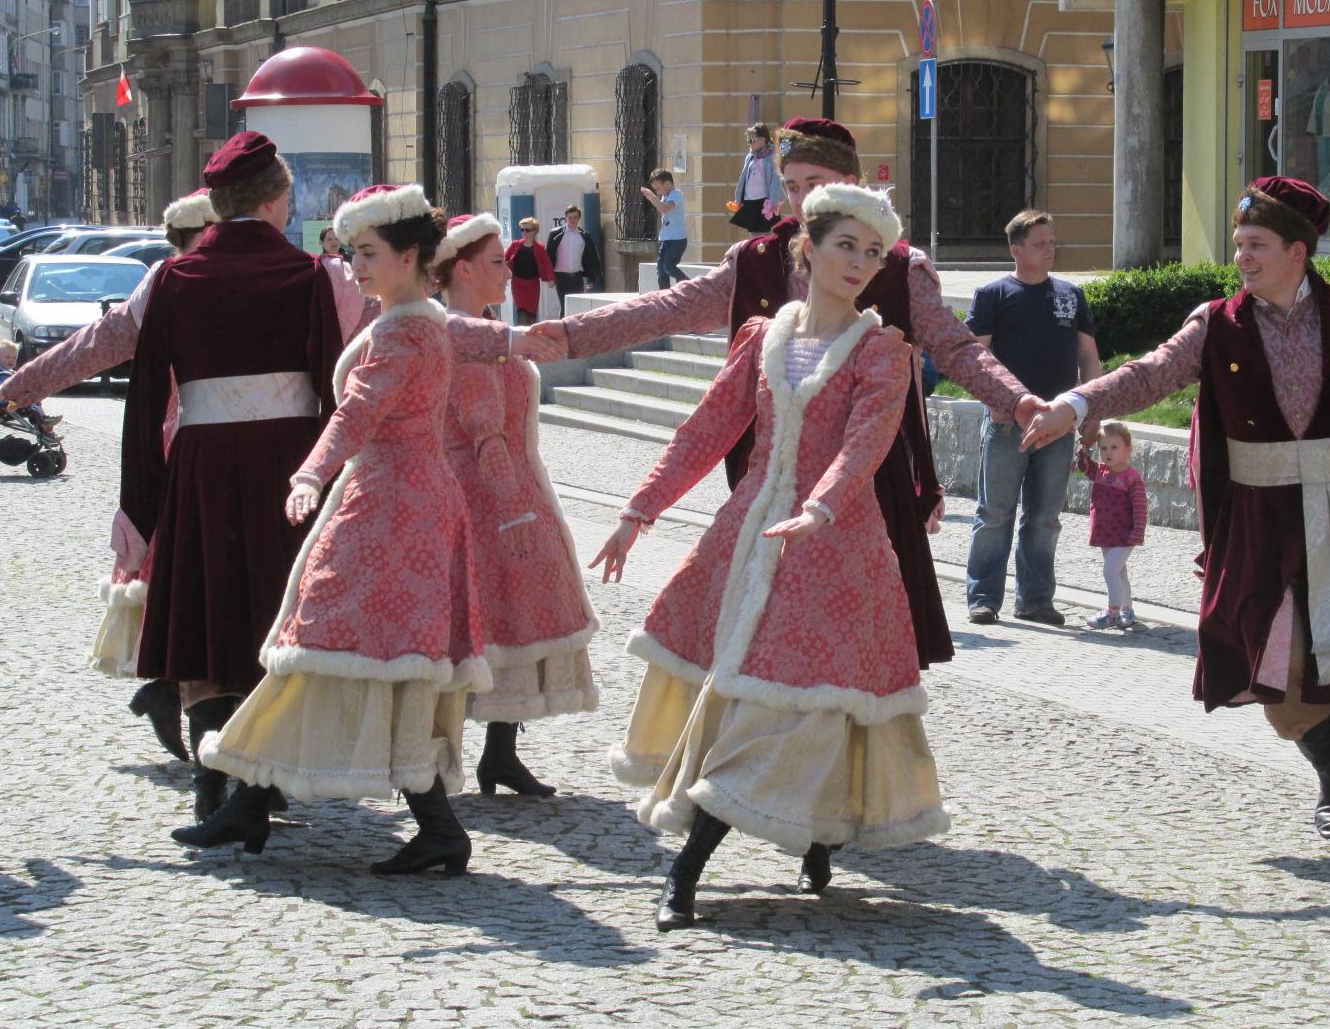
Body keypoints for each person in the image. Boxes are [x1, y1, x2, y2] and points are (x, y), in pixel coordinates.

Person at [1021, 176, 1330, 859]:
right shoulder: (1217, 323)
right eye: (1239, 244)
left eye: (1256, 245)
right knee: (1272, 666)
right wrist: (1076, 404)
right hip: (1259, 523)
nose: (1241, 257)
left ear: (1298, 252)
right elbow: (1147, 374)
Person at [523, 116, 1043, 677]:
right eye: (790, 186)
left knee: (857, 653)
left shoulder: (895, 267)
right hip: (767, 473)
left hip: (863, 480)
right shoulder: (755, 261)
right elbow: (668, 310)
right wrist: (573, 335)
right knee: (751, 638)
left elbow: (957, 346)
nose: (801, 199)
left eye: (814, 183)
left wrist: (1016, 399)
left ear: (852, 183)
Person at [590, 184, 948, 931]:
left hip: (835, 547)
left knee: (787, 697)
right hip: (746, 535)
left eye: (873, 252)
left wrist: (821, 505)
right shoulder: (762, 337)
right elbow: (708, 427)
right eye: (845, 245)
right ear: (806, 249)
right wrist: (637, 512)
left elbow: (867, 443)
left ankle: (686, 872)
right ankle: (815, 836)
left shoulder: (883, 351)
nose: (859, 262)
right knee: (752, 691)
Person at [185, 184, 490, 875]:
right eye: (351, 252)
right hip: (398, 502)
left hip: (390, 509)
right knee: (346, 653)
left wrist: (309, 473)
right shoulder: (412, 320)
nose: (354, 265)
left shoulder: (408, 330)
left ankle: (265, 802)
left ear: (410, 255)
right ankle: (254, 800)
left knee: (345, 650)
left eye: (368, 253)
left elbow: (357, 412)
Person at [115, 134, 373, 823]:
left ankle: (210, 787)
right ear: (272, 200)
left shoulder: (175, 278)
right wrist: (333, 482)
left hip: (200, 464)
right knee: (268, 614)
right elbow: (330, 387)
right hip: (284, 464)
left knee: (204, 617)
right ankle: (259, 780)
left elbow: (145, 400)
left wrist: (138, 508)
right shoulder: (309, 275)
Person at [0, 188, 229, 768]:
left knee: (195, 577)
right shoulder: (167, 281)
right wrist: (16, 387)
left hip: (202, 442)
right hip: (179, 442)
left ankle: (174, 691)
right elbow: (93, 344)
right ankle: (194, 711)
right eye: (207, 236)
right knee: (184, 574)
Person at [433, 212, 601, 797]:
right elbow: (485, 433)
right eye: (496, 263)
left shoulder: (485, 330)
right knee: (476, 620)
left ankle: (498, 752)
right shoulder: (464, 338)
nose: (508, 272)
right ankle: (442, 761)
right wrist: (512, 507)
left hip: (507, 488)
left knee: (508, 617)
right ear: (462, 269)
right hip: (479, 497)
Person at [964, 211, 1101, 626]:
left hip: (1059, 423)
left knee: (1044, 517)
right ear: (1016, 249)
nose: (1050, 248)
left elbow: (1088, 357)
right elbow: (977, 357)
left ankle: (1036, 599)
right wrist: (995, 401)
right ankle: (984, 597)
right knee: (995, 512)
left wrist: (1092, 407)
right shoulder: (993, 294)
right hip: (1009, 423)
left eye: (1051, 241)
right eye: (1040, 242)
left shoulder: (1070, 296)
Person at [1075, 420, 1146, 630]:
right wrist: (1084, 450)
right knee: (1120, 572)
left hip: (1124, 535)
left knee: (1110, 571)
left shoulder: (1132, 479)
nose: (1108, 453)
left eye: (1114, 447)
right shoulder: (1100, 471)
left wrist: (1137, 532)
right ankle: (1127, 609)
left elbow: (1141, 508)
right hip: (1106, 534)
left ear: (1128, 449)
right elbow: (1083, 468)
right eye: (1103, 448)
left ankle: (1113, 612)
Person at [0, 341, 61, 432]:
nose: (11, 360)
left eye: (14, 358)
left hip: (14, 399)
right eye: (7, 357)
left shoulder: (10, 371)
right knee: (33, 406)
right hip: (6, 403)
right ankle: (44, 423)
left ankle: (45, 424)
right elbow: (0, 388)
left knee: (35, 401)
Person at [729, 123, 785, 235]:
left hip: (765, 201)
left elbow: (776, 180)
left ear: (762, 140)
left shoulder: (773, 157)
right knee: (753, 232)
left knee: (766, 232)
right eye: (748, 141)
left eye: (752, 140)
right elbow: (744, 178)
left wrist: (773, 201)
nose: (750, 144)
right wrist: (738, 199)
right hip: (750, 200)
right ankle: (754, 251)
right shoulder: (750, 157)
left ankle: (766, 252)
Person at [547, 205, 602, 312]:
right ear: (565, 217)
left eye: (575, 217)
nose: (572, 220)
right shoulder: (555, 234)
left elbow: (591, 258)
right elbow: (548, 255)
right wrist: (549, 277)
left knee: (577, 308)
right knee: (565, 307)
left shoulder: (585, 236)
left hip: (577, 277)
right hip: (561, 277)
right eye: (570, 217)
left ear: (579, 218)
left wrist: (591, 279)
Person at [641, 169, 688, 288]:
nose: (657, 192)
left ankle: (686, 283)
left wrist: (651, 196)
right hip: (667, 239)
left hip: (677, 240)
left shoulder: (676, 194)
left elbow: (664, 209)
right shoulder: (665, 196)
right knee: (661, 270)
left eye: (658, 189)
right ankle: (664, 293)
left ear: (667, 184)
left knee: (668, 266)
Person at [505, 217, 555, 324]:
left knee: (532, 314)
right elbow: (503, 259)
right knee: (522, 313)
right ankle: (521, 336)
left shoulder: (540, 248)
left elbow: (547, 264)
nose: (524, 232)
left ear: (535, 231)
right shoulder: (515, 245)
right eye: (522, 229)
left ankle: (532, 337)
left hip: (533, 285)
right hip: (518, 283)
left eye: (527, 230)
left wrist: (551, 279)